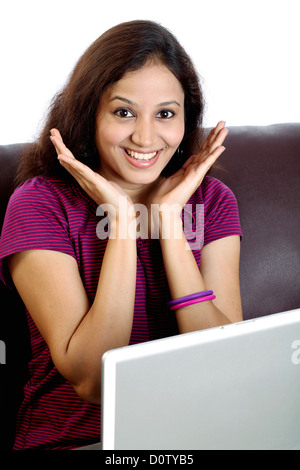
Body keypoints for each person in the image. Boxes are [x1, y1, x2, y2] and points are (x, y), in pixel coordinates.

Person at [0, 20, 243, 449]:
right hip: (81, 441)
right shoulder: (39, 204)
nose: (145, 137)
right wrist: (123, 223)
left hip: (199, 437)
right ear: (89, 112)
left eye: (165, 114)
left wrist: (168, 222)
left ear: (187, 119)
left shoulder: (213, 201)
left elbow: (224, 367)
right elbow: (95, 380)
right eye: (124, 112)